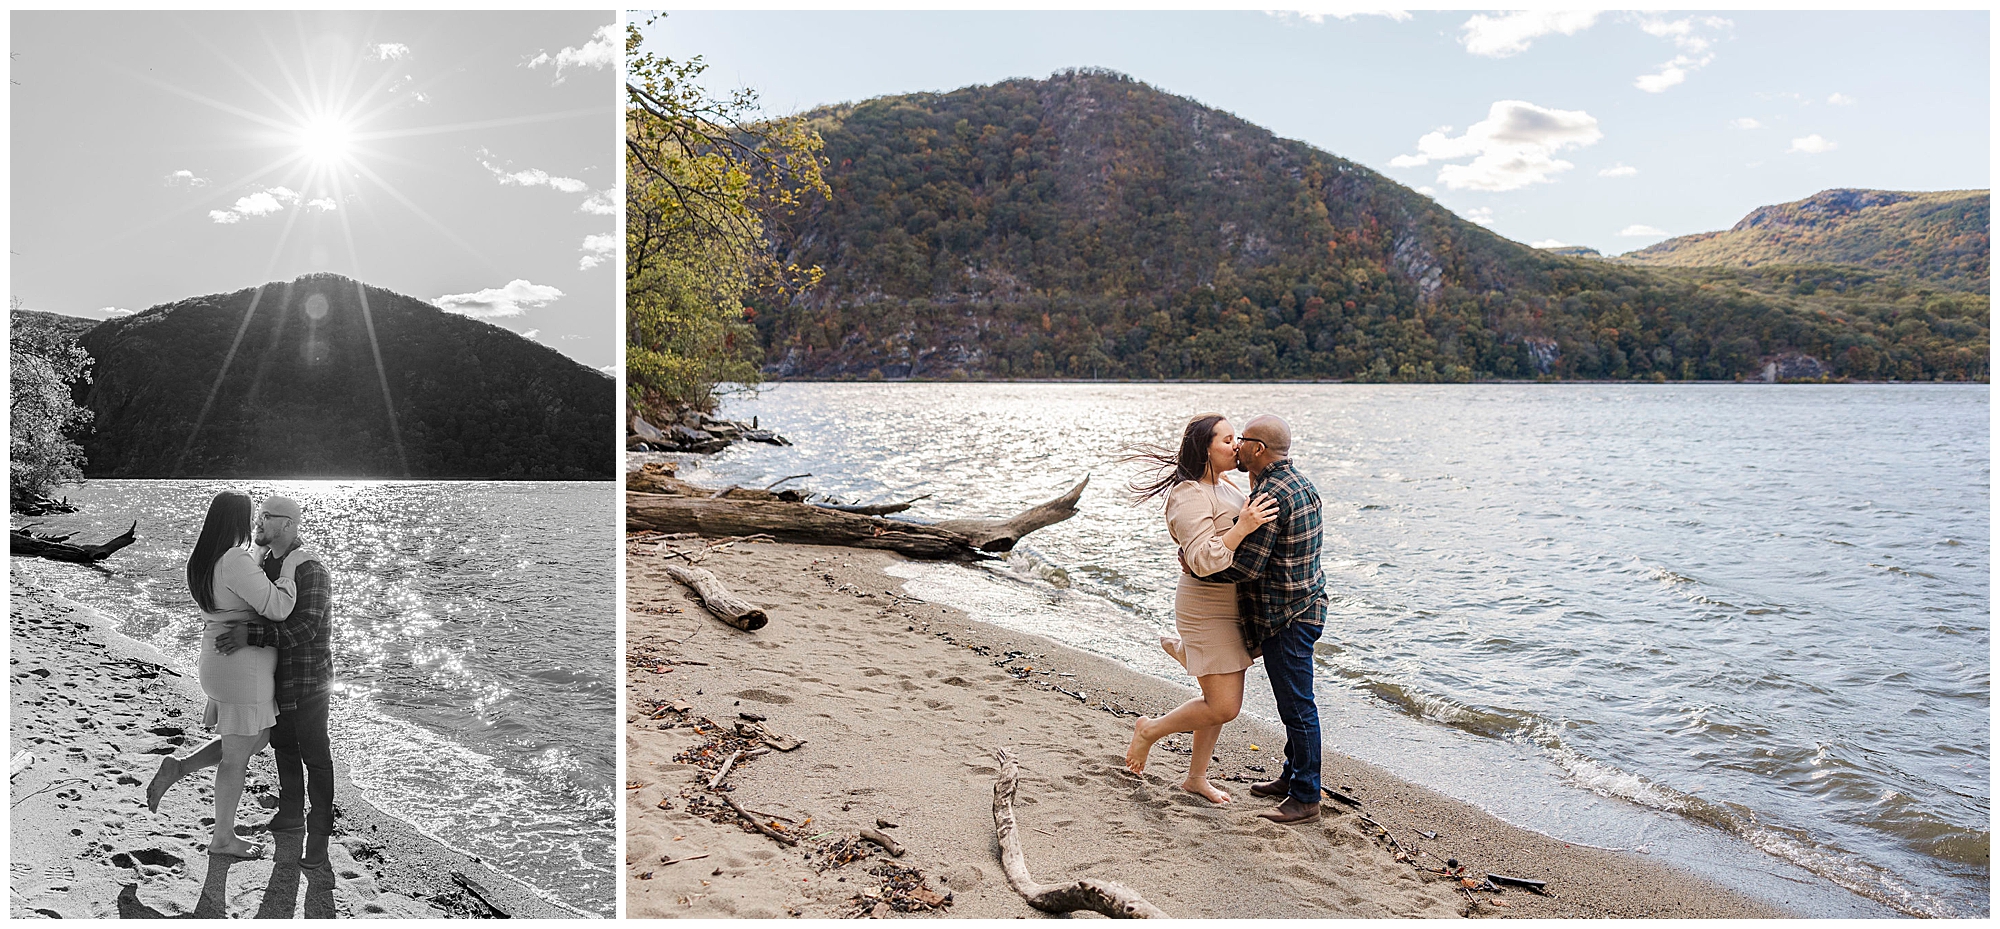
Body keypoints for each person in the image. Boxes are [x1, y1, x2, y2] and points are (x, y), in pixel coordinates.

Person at [1120, 413, 1278, 803]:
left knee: (1215, 702)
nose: (1236, 446)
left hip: (1234, 605)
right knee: (1224, 706)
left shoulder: (1227, 486)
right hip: (1205, 607)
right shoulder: (1188, 494)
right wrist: (1242, 526)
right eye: (1226, 440)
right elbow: (1203, 559)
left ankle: (1196, 777)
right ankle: (1149, 730)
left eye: (1236, 439)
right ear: (1205, 449)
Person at [146, 491, 310, 859]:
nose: (256, 522)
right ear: (238, 519)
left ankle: (180, 767)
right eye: (253, 515)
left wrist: (258, 559)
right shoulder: (234, 559)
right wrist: (289, 567)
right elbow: (279, 607)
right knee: (238, 757)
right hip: (240, 669)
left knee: (257, 738)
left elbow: (237, 589)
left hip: (220, 661)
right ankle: (223, 838)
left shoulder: (203, 559)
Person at [1199, 414, 1329, 825]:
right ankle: (1292, 778)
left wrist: (1199, 566)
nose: (1236, 447)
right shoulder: (1300, 483)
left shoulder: (1270, 495)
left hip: (1287, 616)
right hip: (1307, 606)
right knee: (1295, 703)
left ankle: (1306, 796)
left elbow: (1248, 567)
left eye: (1242, 441)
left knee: (1297, 708)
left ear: (1258, 448)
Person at [218, 495, 337, 871]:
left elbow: (306, 628)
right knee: (284, 747)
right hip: (272, 676)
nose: (259, 522)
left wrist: (250, 635)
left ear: (288, 524)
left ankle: (319, 837)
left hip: (308, 678)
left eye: (267, 517)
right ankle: (291, 815)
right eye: (259, 515)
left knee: (315, 757)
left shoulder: (311, 568)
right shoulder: (264, 562)